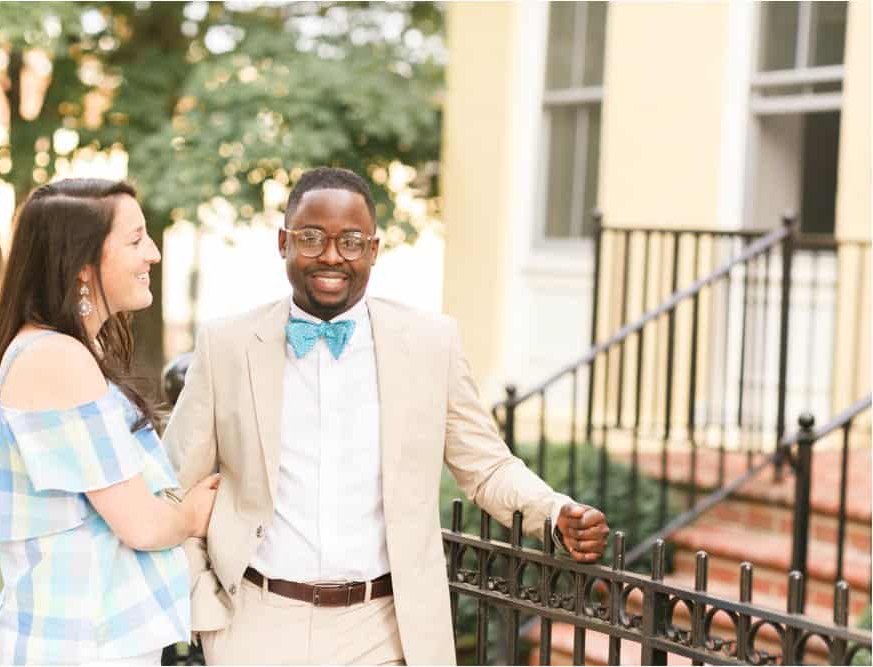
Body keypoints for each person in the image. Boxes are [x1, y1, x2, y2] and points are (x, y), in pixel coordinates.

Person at [164, 167, 610, 665]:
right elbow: (173, 483)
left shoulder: (429, 343)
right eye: (312, 238)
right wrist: (204, 605)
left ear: (373, 251)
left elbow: (485, 465)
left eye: (351, 241)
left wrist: (552, 513)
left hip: (384, 630)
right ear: (283, 242)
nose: (332, 256)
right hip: (257, 624)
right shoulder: (225, 345)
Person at [0, 178, 220, 665]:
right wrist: (193, 516)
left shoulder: (64, 350)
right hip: (78, 645)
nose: (154, 254)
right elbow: (139, 524)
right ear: (82, 265)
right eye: (136, 240)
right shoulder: (56, 357)